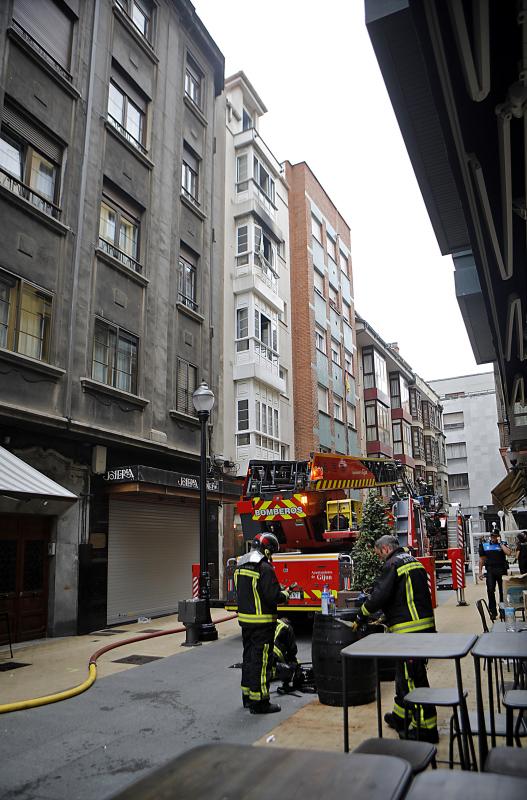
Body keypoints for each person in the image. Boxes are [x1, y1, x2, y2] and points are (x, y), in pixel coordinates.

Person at [355, 534, 438, 744]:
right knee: (403, 675)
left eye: (378, 553)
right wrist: (388, 616)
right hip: (423, 628)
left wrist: (362, 614)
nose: (380, 558)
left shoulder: (392, 564)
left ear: (384, 549)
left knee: (413, 679)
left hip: (409, 633)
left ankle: (426, 729)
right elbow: (407, 596)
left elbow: (380, 595)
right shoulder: (414, 562)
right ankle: (401, 716)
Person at [234, 532, 293, 714]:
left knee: (249, 659)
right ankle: (260, 702)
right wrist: (285, 594)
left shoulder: (241, 565)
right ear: (267, 551)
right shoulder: (265, 568)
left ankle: (248, 697)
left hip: (246, 622)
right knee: (262, 662)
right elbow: (273, 596)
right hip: (262, 624)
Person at [478, 527, 511, 620]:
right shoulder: (484, 545)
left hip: (501, 569)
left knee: (502, 591)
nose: (493, 538)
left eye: (495, 536)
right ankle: (493, 611)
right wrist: (480, 572)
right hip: (490, 570)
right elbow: (482, 559)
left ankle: (503, 611)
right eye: (492, 536)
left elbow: (508, 553)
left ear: (498, 536)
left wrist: (500, 543)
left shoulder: (503, 544)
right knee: (490, 590)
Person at [272, 617, 299, 686]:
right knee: (292, 665)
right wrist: (293, 662)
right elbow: (292, 649)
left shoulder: (274, 623)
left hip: (263, 652)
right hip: (274, 656)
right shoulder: (287, 627)